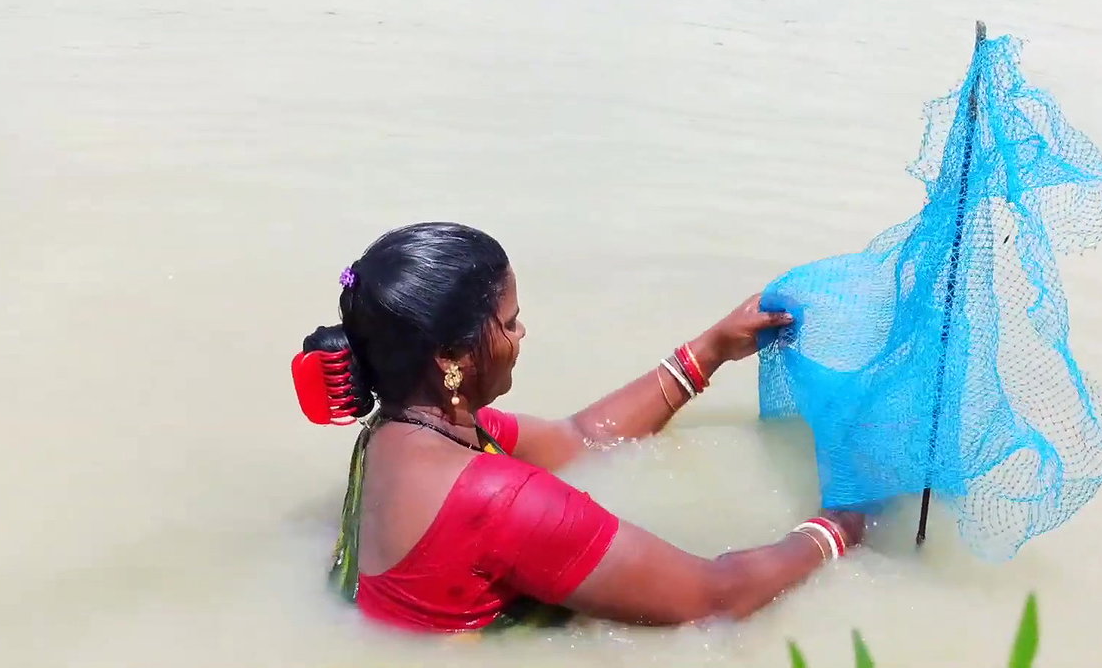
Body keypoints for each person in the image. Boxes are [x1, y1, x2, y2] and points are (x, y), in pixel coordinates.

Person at [292, 221, 865, 633]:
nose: (521, 335)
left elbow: (583, 439)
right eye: (509, 323)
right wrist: (840, 526)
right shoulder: (500, 500)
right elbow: (716, 597)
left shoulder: (392, 433)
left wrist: (710, 350)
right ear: (452, 358)